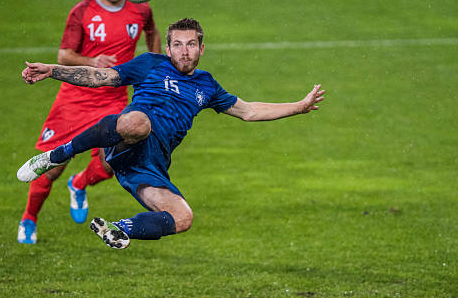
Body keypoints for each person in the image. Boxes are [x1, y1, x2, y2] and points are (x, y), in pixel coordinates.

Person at [18, 18, 324, 249]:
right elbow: (101, 77)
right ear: (167, 48)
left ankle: (120, 228)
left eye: (191, 44)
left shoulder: (207, 85)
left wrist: (299, 106)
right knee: (139, 123)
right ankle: (58, 154)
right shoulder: (150, 64)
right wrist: (53, 69)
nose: (184, 51)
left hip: (149, 164)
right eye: (177, 44)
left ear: (202, 49)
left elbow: (249, 111)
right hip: (126, 137)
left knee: (182, 217)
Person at [17, 0, 162, 244]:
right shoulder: (81, 12)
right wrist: (91, 61)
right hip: (75, 100)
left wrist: (155, 64)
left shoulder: (141, 10)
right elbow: (63, 55)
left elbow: (152, 32)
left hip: (114, 99)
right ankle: (29, 219)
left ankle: (79, 183)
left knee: (112, 164)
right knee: (52, 166)